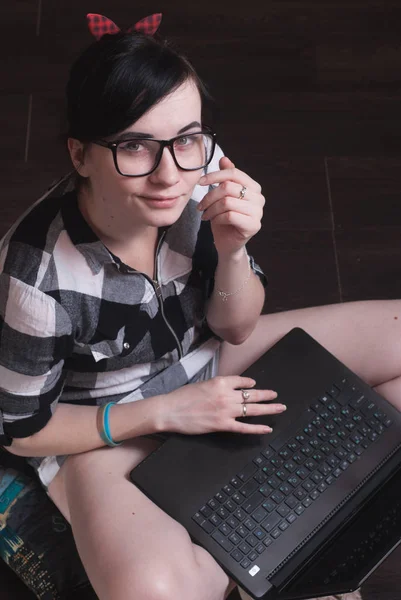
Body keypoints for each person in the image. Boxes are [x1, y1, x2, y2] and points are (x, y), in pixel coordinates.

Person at [0, 12, 399, 600]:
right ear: (80, 154)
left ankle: (279, 517)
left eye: (185, 137)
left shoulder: (199, 168)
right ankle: (268, 525)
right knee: (155, 592)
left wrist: (234, 251)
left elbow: (234, 328)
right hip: (102, 418)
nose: (169, 175)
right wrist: (166, 413)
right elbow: (21, 431)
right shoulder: (36, 275)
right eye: (134, 145)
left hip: (208, 359)